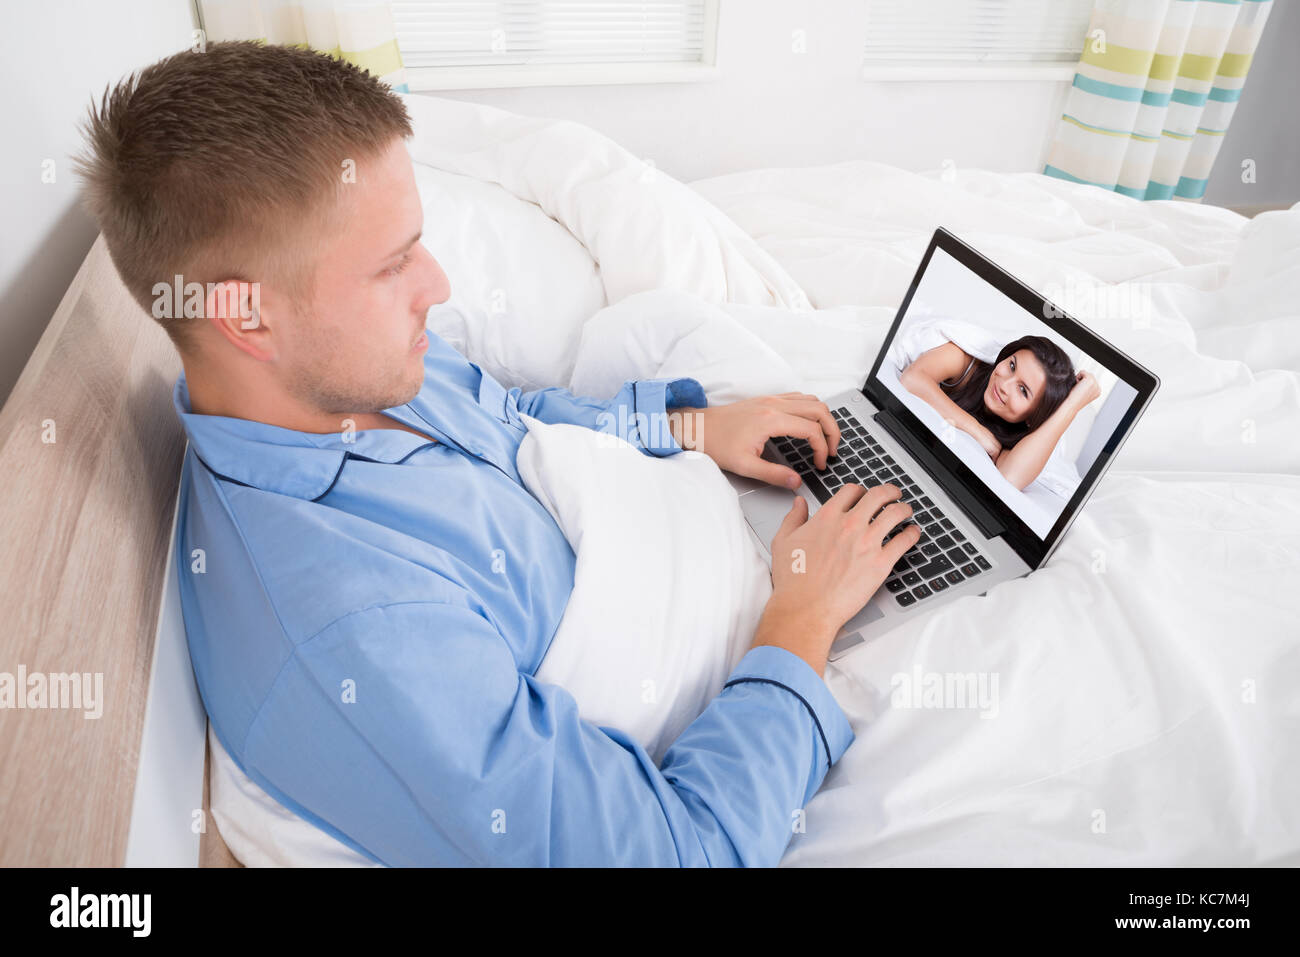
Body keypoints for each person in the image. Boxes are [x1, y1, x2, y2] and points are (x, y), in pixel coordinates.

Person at [74, 41, 921, 866]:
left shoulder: (356, 372)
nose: (437, 285)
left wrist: (689, 429)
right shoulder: (357, 638)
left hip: (751, 555)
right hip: (785, 665)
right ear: (245, 318)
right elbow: (671, 850)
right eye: (392, 264)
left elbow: (513, 417)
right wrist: (801, 623)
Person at [899, 336, 1100, 491]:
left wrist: (1072, 405)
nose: (1005, 384)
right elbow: (912, 379)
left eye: (1023, 390)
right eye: (1012, 366)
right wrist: (975, 429)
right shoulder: (966, 362)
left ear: (1032, 417)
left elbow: (1011, 476)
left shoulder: (1020, 438)